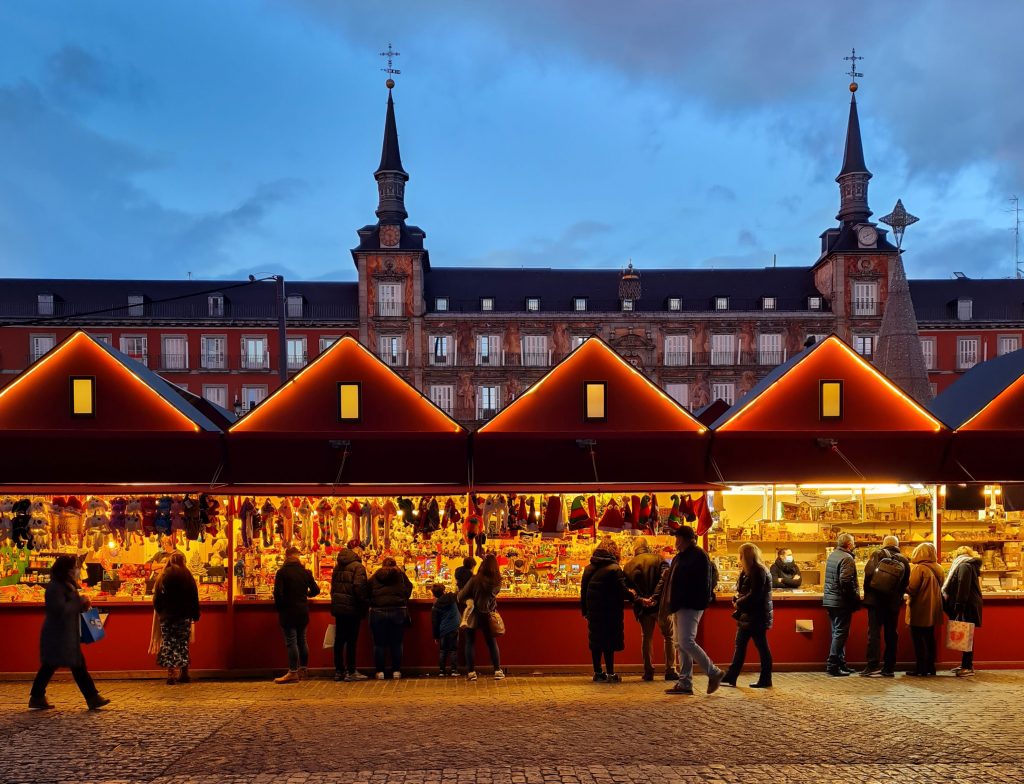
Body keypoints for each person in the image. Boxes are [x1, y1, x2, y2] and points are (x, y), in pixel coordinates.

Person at [29, 555, 110, 710]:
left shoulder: (64, 585)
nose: (76, 570)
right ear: (66, 569)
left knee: (53, 665)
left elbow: (69, 607)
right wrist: (79, 602)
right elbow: (59, 609)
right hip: (59, 634)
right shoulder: (56, 587)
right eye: (73, 567)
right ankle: (92, 697)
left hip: (64, 633)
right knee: (72, 665)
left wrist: (82, 604)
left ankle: (37, 696)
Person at [653, 525, 725, 696]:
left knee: (686, 642)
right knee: (680, 643)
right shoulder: (682, 556)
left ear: (685, 539)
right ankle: (685, 682)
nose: (675, 541)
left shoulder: (698, 555)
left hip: (690, 603)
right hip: (680, 603)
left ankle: (713, 672)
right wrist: (670, 575)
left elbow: (701, 581)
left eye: (677, 538)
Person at [581, 541, 637, 682]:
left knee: (596, 640)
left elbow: (583, 592)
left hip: (593, 611)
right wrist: (633, 595)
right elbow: (622, 590)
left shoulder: (588, 568)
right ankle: (611, 673)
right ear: (615, 552)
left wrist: (585, 611)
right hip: (610, 610)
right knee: (609, 642)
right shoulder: (614, 569)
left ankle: (598, 672)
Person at [623, 537, 678, 681]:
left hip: (643, 608)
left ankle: (648, 671)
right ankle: (670, 669)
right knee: (669, 637)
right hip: (661, 606)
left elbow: (627, 589)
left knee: (646, 638)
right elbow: (666, 578)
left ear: (634, 548)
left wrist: (642, 600)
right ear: (647, 547)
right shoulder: (659, 559)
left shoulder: (628, 565)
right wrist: (655, 597)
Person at [722, 542, 773, 689]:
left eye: (741, 555)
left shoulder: (758, 571)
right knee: (742, 646)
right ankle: (732, 676)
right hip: (749, 615)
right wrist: (737, 598)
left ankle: (765, 678)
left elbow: (755, 595)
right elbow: (745, 591)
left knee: (760, 647)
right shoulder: (749, 570)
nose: (739, 558)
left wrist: (738, 603)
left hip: (756, 616)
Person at [860, 535, 911, 677]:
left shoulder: (878, 554)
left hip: (876, 601)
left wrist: (868, 593)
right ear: (897, 545)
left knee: (874, 634)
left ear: (884, 544)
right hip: (893, 603)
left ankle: (872, 666)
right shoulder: (904, 560)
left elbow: (868, 573)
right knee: (891, 634)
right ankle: (889, 667)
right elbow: (906, 583)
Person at [272, 547, 320, 684]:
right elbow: (316, 590)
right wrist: (306, 596)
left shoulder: (282, 572)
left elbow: (278, 593)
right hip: (302, 611)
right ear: (298, 557)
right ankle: (303, 670)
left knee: (291, 642)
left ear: (286, 556)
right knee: (302, 640)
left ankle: (293, 672)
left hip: (288, 611)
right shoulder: (305, 572)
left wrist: (280, 608)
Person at [152, 551, 200, 685]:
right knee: (182, 643)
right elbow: (193, 597)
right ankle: (184, 672)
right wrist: (195, 614)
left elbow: (157, 597)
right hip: (183, 616)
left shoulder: (163, 575)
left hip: (167, 616)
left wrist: (161, 611)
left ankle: (170, 673)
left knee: (168, 643)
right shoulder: (187, 575)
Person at [457, 552, 504, 681]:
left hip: (473, 614)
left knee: (470, 642)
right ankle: (497, 670)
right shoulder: (498, 581)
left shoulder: (475, 579)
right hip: (488, 615)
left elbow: (460, 596)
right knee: (491, 643)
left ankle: (471, 672)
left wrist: (469, 599)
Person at [367, 556, 414, 679]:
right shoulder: (401, 575)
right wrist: (402, 599)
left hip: (377, 611)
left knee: (379, 643)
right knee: (397, 643)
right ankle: (396, 671)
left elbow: (366, 590)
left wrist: (372, 601)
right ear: (394, 565)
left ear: (382, 565)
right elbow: (409, 588)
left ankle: (380, 672)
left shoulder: (375, 576)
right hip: (398, 611)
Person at [330, 541, 369, 682]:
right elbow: (359, 588)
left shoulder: (337, 567)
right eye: (361, 550)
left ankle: (339, 671)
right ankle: (351, 671)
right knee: (352, 641)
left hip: (339, 608)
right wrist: (364, 604)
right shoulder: (358, 567)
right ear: (357, 550)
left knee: (339, 640)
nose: (362, 553)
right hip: (353, 609)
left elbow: (332, 588)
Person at [943, 545, 983, 677]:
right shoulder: (967, 565)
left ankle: (967, 666)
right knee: (967, 635)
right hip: (969, 604)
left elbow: (963, 585)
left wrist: (959, 605)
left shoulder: (964, 566)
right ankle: (965, 664)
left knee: (968, 636)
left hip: (967, 605)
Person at [822, 533, 859, 676]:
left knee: (836, 632)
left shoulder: (833, 555)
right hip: (841, 601)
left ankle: (840, 663)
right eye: (853, 542)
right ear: (849, 544)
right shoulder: (847, 558)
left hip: (831, 600)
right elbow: (845, 581)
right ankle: (833, 665)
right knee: (841, 633)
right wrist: (853, 597)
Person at [905, 542, 944, 677]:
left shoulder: (919, 568)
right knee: (929, 638)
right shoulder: (938, 568)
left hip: (920, 608)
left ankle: (920, 668)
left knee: (918, 640)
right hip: (933, 609)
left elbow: (912, 589)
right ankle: (930, 667)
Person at [431, 582, 461, 676]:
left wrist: (436, 636)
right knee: (453, 650)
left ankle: (441, 671)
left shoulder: (435, 606)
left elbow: (435, 622)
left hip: (443, 629)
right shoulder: (452, 597)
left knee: (443, 650)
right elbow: (459, 591)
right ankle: (454, 670)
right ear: (444, 590)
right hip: (454, 627)